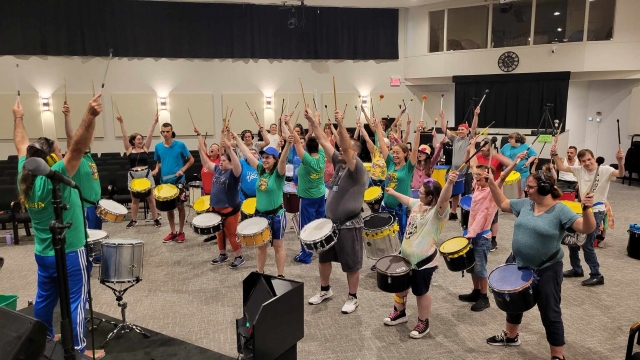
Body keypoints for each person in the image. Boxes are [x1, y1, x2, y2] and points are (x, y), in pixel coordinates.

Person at [15, 96, 106, 359]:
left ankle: (42, 337)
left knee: (45, 298)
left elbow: (21, 142)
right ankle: (77, 349)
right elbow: (77, 148)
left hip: (44, 253)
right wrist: (89, 116)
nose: (61, 152)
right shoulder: (52, 177)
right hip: (69, 251)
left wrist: (18, 117)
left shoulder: (27, 173)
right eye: (57, 150)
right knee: (77, 300)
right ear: (51, 158)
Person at [484, 167, 596, 360]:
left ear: (544, 188)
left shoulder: (560, 210)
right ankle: (511, 336)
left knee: (550, 311)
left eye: (531, 187)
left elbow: (587, 228)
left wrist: (587, 210)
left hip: (547, 268)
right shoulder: (526, 204)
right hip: (518, 263)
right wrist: (492, 183)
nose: (527, 190)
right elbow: (502, 203)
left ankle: (557, 355)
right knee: (513, 302)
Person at [306, 108, 368, 314]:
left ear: (354, 153)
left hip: (350, 224)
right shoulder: (339, 164)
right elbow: (324, 141)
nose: (339, 150)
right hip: (330, 224)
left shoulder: (356, 168)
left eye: (345, 149)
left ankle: (353, 297)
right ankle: (325, 290)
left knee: (352, 263)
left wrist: (341, 125)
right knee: (323, 259)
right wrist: (313, 123)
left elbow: (344, 145)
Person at [381, 173, 456, 338]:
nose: (418, 194)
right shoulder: (418, 204)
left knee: (420, 292)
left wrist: (449, 183)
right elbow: (407, 200)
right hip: (405, 257)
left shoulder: (438, 212)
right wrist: (392, 192)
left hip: (423, 261)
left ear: (430, 197)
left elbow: (443, 198)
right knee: (400, 286)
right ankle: (399, 312)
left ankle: (423, 322)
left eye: (421, 193)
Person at [551, 145, 625, 286]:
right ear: (580, 162)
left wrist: (620, 161)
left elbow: (620, 173)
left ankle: (596, 274)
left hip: (596, 210)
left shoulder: (605, 170)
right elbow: (561, 167)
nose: (587, 163)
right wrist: (555, 155)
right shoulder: (579, 170)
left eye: (589, 159)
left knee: (587, 244)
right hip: (582, 209)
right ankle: (576, 268)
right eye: (583, 161)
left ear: (594, 158)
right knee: (572, 240)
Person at [457, 155, 521, 312]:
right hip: (471, 235)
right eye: (476, 176)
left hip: (483, 237)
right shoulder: (477, 187)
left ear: (489, 178)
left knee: (480, 269)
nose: (477, 177)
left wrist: (516, 161)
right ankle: (476, 291)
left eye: (481, 176)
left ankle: (484, 297)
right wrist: (472, 146)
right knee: (472, 266)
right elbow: (473, 166)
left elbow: (504, 176)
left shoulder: (492, 191)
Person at [233, 125, 291, 277]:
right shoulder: (259, 169)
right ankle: (260, 271)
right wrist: (236, 137)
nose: (264, 160)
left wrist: (288, 144)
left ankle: (280, 275)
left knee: (278, 246)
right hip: (260, 215)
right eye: (263, 157)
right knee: (261, 246)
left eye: (268, 158)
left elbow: (283, 159)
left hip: (276, 214)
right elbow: (246, 152)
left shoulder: (278, 173)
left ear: (274, 159)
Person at [195, 127, 245, 268]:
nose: (220, 162)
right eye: (220, 160)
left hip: (229, 209)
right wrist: (200, 149)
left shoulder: (234, 173)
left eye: (223, 161)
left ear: (230, 163)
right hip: (216, 208)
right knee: (219, 233)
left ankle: (239, 256)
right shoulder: (217, 169)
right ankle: (222, 254)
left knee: (231, 233)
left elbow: (237, 164)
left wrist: (229, 149)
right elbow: (206, 163)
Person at [377, 115, 419, 242]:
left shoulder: (408, 168)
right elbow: (382, 144)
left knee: (402, 238)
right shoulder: (389, 162)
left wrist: (418, 131)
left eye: (397, 153)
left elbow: (416, 149)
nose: (394, 155)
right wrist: (378, 127)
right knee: (387, 238)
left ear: (405, 154)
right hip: (386, 206)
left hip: (401, 208)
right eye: (393, 152)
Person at [115, 113, 161, 229]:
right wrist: (121, 122)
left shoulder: (145, 148)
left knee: (151, 198)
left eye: (141, 139)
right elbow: (125, 135)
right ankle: (133, 220)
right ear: (133, 141)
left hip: (146, 174)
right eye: (138, 139)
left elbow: (150, 134)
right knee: (135, 200)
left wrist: (155, 122)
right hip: (134, 175)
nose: (141, 140)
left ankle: (155, 219)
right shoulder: (129, 149)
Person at [468, 137, 514, 251]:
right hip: (481, 189)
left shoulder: (496, 158)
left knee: (493, 218)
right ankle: (473, 234)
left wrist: (496, 154)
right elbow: (473, 165)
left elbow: (509, 167)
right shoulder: (479, 158)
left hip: (493, 190)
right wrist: (472, 146)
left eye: (484, 146)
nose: (481, 148)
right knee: (476, 215)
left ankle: (493, 239)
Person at [62, 103, 102, 231]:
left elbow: (92, 132)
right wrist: (67, 116)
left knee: (98, 235)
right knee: (88, 237)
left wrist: (94, 115)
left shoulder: (88, 154)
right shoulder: (75, 159)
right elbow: (69, 136)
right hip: (85, 205)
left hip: (96, 204)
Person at [153, 123, 194, 243]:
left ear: (172, 131)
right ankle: (173, 231)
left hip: (179, 181)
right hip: (165, 182)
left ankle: (181, 231)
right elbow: (159, 162)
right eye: (163, 132)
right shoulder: (158, 147)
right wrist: (156, 169)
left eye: (167, 131)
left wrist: (182, 170)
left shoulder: (180, 145)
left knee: (180, 206)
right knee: (169, 208)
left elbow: (191, 160)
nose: (165, 134)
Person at [440, 107, 478, 220]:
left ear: (467, 131)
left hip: (467, 172)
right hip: (455, 171)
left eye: (462, 129)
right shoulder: (455, 139)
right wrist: (443, 118)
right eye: (459, 129)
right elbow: (444, 129)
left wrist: (475, 115)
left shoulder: (469, 139)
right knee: (455, 193)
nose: (460, 131)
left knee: (466, 193)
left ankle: (467, 213)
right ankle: (453, 212)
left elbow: (474, 127)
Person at [500, 132, 537, 199]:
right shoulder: (506, 146)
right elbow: (500, 154)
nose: (508, 140)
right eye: (508, 138)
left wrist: (528, 162)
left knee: (520, 191)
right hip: (508, 173)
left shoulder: (525, 147)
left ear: (517, 140)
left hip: (522, 173)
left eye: (511, 139)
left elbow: (533, 155)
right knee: (506, 191)